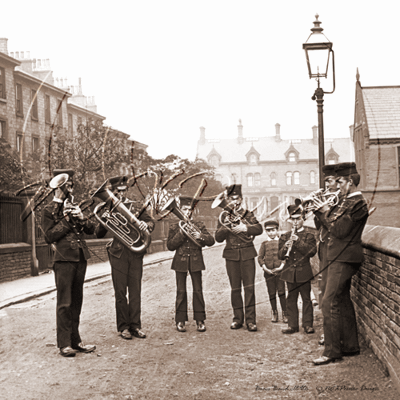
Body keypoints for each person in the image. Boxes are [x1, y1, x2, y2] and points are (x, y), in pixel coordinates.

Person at [313, 162, 369, 365]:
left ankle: (332, 351)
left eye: (340, 181)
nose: (336, 185)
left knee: (329, 302)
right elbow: (329, 225)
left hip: (345, 258)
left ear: (351, 182)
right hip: (338, 256)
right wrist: (320, 211)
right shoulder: (345, 201)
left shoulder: (358, 204)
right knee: (342, 300)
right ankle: (350, 346)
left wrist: (324, 210)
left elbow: (340, 230)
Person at [42, 169, 96, 357]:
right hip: (64, 260)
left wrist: (81, 217)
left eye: (72, 185)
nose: (71, 188)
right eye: (68, 186)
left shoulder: (75, 206)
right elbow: (49, 236)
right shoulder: (48, 210)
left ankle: (76, 340)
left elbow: (91, 230)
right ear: (59, 188)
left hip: (80, 257)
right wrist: (66, 219)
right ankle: (64, 344)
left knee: (77, 302)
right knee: (64, 302)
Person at [95, 176, 155, 340]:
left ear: (127, 190)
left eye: (123, 190)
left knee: (135, 291)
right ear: (112, 192)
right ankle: (123, 327)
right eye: (116, 191)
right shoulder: (106, 209)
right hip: (118, 254)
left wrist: (145, 225)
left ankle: (135, 326)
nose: (120, 194)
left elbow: (151, 222)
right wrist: (105, 219)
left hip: (135, 253)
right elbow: (98, 234)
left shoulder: (136, 206)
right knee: (120, 292)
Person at [215, 184, 263, 331]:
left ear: (241, 199)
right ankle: (237, 319)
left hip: (248, 255)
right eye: (231, 199)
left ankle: (251, 321)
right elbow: (217, 238)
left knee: (249, 289)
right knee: (235, 289)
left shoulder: (248, 214)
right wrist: (226, 226)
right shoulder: (223, 216)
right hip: (231, 256)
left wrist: (245, 228)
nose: (234, 201)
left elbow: (259, 229)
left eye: (236, 199)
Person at [166, 196, 215, 332]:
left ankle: (200, 320)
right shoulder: (175, 226)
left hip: (195, 259)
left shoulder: (199, 225)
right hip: (180, 260)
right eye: (184, 209)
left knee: (198, 290)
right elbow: (170, 245)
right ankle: (180, 320)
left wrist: (201, 237)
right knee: (181, 291)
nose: (187, 212)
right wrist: (182, 233)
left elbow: (211, 241)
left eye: (189, 209)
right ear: (180, 210)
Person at [277, 203, 317, 335]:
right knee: (291, 299)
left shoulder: (309, 235)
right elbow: (280, 255)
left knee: (306, 298)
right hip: (290, 272)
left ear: (303, 219)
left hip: (303, 271)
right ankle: (292, 325)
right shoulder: (284, 236)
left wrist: (298, 241)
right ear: (290, 220)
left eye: (298, 218)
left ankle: (307, 325)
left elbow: (311, 252)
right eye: (293, 219)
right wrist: (286, 246)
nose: (295, 222)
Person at [314, 163, 339, 346]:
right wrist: (317, 210)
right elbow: (320, 226)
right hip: (324, 247)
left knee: (330, 295)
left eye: (329, 180)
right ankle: (327, 331)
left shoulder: (340, 200)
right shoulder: (329, 198)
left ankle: (331, 335)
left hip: (335, 248)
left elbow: (334, 225)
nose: (326, 185)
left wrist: (324, 210)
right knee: (323, 291)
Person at [257, 218, 288, 323]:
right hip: (269, 273)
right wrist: (265, 268)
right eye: (268, 231)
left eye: (273, 230)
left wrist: (281, 267)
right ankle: (274, 311)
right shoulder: (264, 244)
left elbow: (285, 256)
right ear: (266, 231)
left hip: (280, 272)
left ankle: (285, 312)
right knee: (271, 293)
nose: (271, 233)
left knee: (281, 292)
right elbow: (260, 257)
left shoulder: (282, 242)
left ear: (277, 230)